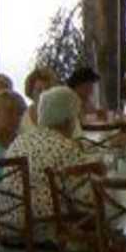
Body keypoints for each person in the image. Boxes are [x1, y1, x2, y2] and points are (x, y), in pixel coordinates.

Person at [9, 85, 105, 225]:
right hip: (46, 226)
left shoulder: (19, 140)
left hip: (9, 224)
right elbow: (85, 201)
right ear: (68, 120)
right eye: (76, 117)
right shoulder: (66, 147)